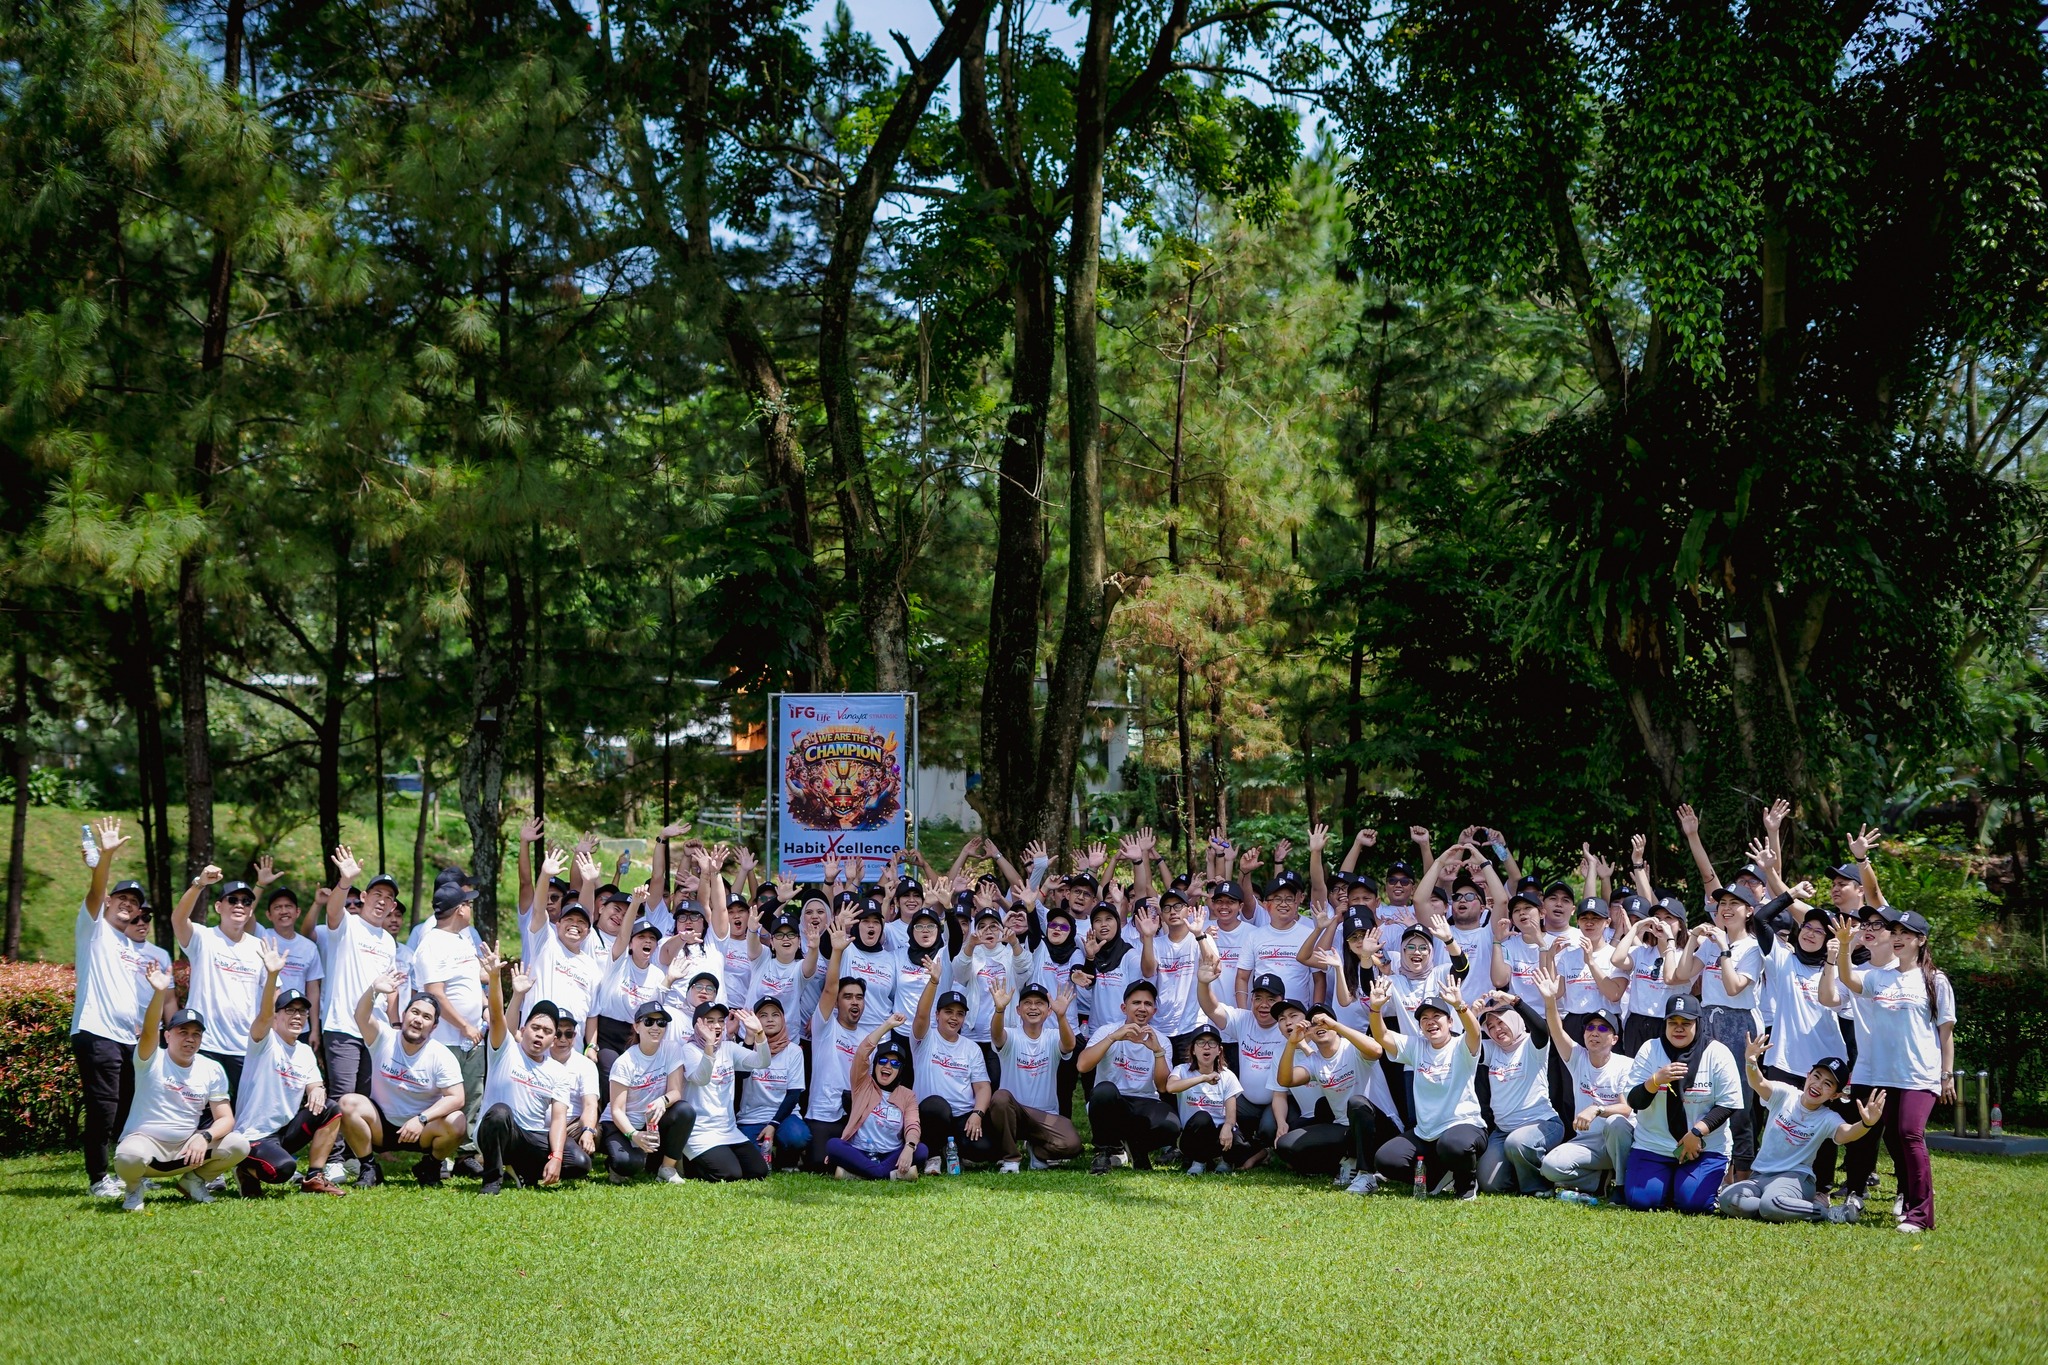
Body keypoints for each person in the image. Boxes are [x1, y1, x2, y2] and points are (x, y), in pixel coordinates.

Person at [1832, 843, 1948, 1232]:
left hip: (1919, 1075)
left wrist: (1946, 1076)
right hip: (1881, 1074)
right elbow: (1847, 980)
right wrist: (1846, 947)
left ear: (1920, 941)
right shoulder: (1880, 976)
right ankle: (1874, 1194)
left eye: (1905, 933)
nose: (1897, 938)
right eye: (1894, 932)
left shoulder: (1934, 980)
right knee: (1887, 1138)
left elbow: (1945, 1032)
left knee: (1909, 1135)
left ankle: (1919, 1213)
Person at [69, 817, 170, 1197]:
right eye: (123, 900)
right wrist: (105, 858)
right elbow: (95, 892)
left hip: (129, 1039)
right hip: (96, 1032)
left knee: (131, 1109)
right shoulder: (93, 928)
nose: (129, 906)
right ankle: (98, 1179)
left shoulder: (132, 946)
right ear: (110, 902)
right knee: (104, 1110)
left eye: (135, 904)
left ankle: (128, 1169)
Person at [114, 967, 251, 1211]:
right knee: (128, 1157)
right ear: (167, 1036)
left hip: (188, 1149)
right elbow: (147, 1032)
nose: (190, 1039)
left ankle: (193, 1182)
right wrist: (158, 992)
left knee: (239, 1144)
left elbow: (225, 1118)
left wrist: (204, 1136)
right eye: (182, 1032)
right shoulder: (150, 1059)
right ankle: (134, 1189)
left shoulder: (212, 1068)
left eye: (196, 1034)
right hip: (148, 1146)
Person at [1719, 1040, 1887, 1222]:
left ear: (1835, 1095)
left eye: (1827, 1084)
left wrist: (1866, 1124)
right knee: (1729, 1199)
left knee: (1771, 1204)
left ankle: (1830, 1213)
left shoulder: (1827, 1117)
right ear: (1807, 1075)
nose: (1817, 1085)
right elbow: (1758, 1082)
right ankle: (1780, 1207)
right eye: (1816, 1076)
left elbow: (1846, 1133)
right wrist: (1751, 1061)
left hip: (1795, 1178)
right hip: (1760, 1175)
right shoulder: (1785, 1094)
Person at [235, 940, 347, 1196]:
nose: (297, 1016)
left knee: (330, 1108)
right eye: (289, 1010)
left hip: (283, 1132)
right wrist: (273, 974)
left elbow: (315, 1084)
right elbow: (263, 1015)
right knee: (282, 1170)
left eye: (302, 1012)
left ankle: (315, 1176)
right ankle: (244, 1169)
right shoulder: (264, 1041)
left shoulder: (305, 1051)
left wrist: (318, 1089)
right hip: (253, 1136)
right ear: (276, 1017)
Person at [336, 970, 467, 1188]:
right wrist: (374, 989)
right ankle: (369, 1168)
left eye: (426, 1017)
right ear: (404, 1014)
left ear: (434, 1027)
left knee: (458, 1121)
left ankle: (431, 1166)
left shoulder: (441, 1055)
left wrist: (422, 1119)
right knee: (348, 1103)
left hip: (421, 1130)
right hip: (382, 1125)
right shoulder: (383, 1038)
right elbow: (360, 1015)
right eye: (415, 1012)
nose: (418, 1020)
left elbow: (457, 1098)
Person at [1673, 882, 1765, 1176]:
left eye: (1734, 904)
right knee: (1704, 1093)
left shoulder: (1753, 947)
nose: (1725, 909)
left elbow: (1734, 987)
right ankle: (1710, 1163)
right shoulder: (1711, 942)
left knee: (1738, 1101)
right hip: (1707, 1018)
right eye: (1722, 903)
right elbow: (1683, 974)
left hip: (1737, 1023)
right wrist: (1692, 941)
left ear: (1749, 911)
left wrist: (1725, 949)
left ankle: (1742, 1171)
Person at [473, 948, 583, 1195]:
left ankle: (524, 1169)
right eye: (535, 1028)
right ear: (523, 1030)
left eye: (547, 1031)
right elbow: (497, 1016)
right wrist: (496, 980)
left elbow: (557, 1119)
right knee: (500, 1113)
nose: (540, 1034)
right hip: (497, 1131)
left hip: (531, 1137)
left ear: (554, 1039)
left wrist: (555, 1156)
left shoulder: (557, 1071)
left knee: (578, 1162)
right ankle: (492, 1179)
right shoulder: (505, 1051)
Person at [1621, 995, 1741, 1214]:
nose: (1679, 1029)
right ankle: (1668, 1185)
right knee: (1640, 1201)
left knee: (1693, 1204)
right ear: (1664, 1024)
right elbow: (1634, 1100)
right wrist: (1655, 1081)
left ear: (1698, 1023)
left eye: (1686, 1023)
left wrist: (1696, 1133)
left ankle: (1685, 1185)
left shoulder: (1717, 1052)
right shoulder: (1650, 1049)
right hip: (1654, 1144)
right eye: (1672, 1023)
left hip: (1704, 1146)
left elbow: (1729, 1104)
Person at [1368, 978, 1486, 1198]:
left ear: (1450, 1022)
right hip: (1426, 1132)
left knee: (1454, 1145)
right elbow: (1382, 1036)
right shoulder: (1416, 1047)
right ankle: (1437, 1176)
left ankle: (1466, 1187)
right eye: (1424, 1019)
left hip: (1463, 1126)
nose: (1430, 1022)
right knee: (1386, 1159)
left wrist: (1461, 1005)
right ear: (1420, 1027)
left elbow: (1475, 1033)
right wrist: (1375, 1009)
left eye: (1436, 1017)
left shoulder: (1461, 1045)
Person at [1531, 968, 1635, 1198]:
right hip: (1588, 1144)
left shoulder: (1625, 1065)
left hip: (1619, 1143)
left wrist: (1597, 1109)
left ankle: (1622, 1184)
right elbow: (1556, 1030)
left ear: (1614, 1039)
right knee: (1550, 1166)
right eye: (1589, 1027)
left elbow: (1627, 1108)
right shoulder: (1577, 1057)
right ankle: (1600, 1182)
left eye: (1602, 1028)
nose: (1593, 1032)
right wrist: (1550, 1001)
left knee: (1616, 1122)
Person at [314, 844, 399, 1118]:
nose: (382, 901)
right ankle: (334, 1158)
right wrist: (345, 881)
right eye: (377, 894)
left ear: (394, 906)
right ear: (364, 896)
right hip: (343, 1025)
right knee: (341, 1095)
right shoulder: (347, 925)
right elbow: (333, 911)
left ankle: (354, 1156)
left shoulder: (388, 940)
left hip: (374, 1030)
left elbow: (388, 988)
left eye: (389, 897)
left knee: (364, 1097)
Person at [172, 863, 267, 1100]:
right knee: (200, 1113)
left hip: (245, 1047)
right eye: (232, 900)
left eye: (246, 902)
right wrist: (200, 883)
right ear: (218, 906)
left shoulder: (260, 948)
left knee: (241, 1115)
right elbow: (178, 919)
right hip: (206, 1044)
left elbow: (272, 997)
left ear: (251, 911)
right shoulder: (203, 938)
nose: (239, 905)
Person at [412, 879, 488, 1159]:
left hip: (471, 1037)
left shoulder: (462, 939)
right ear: (460, 909)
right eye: (469, 904)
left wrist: (483, 1009)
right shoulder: (431, 943)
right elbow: (435, 994)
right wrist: (464, 1026)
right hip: (446, 1040)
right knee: (444, 1101)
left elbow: (470, 983)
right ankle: (436, 1158)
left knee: (472, 1096)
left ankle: (466, 1155)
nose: (471, 910)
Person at [1273, 1003, 1387, 1191]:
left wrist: (1335, 1025)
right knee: (1287, 1144)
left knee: (1356, 1102)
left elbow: (1376, 1051)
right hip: (1346, 1129)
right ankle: (1348, 1162)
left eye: (1325, 1021)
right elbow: (1286, 1080)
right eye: (1315, 1024)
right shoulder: (1314, 1060)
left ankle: (1366, 1175)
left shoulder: (1352, 1047)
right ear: (1308, 1032)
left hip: (1380, 1126)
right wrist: (1292, 1043)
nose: (1321, 1026)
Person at [1080, 980, 1179, 1173]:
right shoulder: (1107, 1031)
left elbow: (1162, 1087)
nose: (1142, 1008)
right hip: (1112, 1101)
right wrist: (1112, 1038)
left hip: (1144, 1101)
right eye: (1136, 1003)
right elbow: (1083, 1065)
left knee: (1171, 1125)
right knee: (1103, 1091)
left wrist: (1157, 1051)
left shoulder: (1162, 1041)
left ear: (1154, 1011)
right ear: (1124, 1008)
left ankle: (1137, 1149)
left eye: (1148, 1004)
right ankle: (1103, 1152)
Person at [1470, 991, 1563, 1195]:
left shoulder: (1532, 1045)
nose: (1496, 1030)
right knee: (1490, 1184)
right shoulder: (1492, 1049)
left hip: (1542, 1124)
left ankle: (1538, 1187)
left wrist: (1515, 1001)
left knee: (1518, 1142)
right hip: (1503, 1131)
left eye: (1501, 1022)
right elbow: (1465, 1046)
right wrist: (1471, 1015)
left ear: (1513, 1019)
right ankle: (1521, 1172)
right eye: (1491, 1026)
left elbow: (1541, 1028)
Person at [986, 981, 1083, 1171]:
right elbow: (997, 1036)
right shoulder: (1012, 1035)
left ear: (1048, 1011)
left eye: (1039, 1003)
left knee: (1072, 1144)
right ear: (1018, 1010)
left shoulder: (1053, 1036)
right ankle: (1011, 1159)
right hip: (1015, 1113)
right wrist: (999, 1010)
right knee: (1000, 1098)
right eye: (1027, 1003)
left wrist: (1062, 1016)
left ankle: (1038, 1151)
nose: (1033, 1007)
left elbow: (1070, 1045)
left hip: (1045, 1116)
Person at [674, 1001, 774, 1180]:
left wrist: (760, 1033)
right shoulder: (689, 1050)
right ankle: (689, 1164)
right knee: (729, 1174)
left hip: (728, 1130)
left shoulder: (728, 1048)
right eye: (710, 1021)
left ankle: (712, 1159)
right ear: (697, 1024)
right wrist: (709, 1046)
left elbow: (763, 1062)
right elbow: (701, 1078)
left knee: (759, 1171)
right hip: (700, 1132)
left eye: (721, 1020)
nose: (717, 1026)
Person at [910, 975, 997, 1172]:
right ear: (937, 1014)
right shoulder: (924, 1039)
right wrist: (933, 981)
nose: (954, 1018)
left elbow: (983, 1086)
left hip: (962, 1117)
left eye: (959, 1014)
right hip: (932, 1115)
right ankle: (933, 1155)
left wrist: (977, 1114)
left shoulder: (971, 1048)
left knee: (985, 1150)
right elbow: (920, 1016)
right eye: (948, 1012)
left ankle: (953, 1149)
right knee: (936, 1106)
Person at [603, 1000, 692, 1183]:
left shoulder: (671, 1049)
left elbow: (675, 1092)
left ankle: (667, 1168)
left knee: (685, 1110)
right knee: (627, 1164)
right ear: (636, 1026)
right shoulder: (624, 1062)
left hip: (652, 1121)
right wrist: (634, 1135)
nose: (656, 1027)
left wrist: (662, 1101)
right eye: (649, 1022)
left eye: (661, 1023)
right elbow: (617, 1111)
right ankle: (615, 1161)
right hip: (623, 1124)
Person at [824, 1022, 925, 1180]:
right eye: (883, 1061)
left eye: (895, 1063)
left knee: (921, 1150)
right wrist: (888, 1025)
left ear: (900, 1070)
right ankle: (889, 1174)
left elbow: (913, 1125)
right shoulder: (862, 1084)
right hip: (860, 1151)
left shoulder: (907, 1095)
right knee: (833, 1145)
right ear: (875, 1064)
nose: (888, 1066)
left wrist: (909, 1147)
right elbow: (862, 1052)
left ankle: (857, 1174)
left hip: (890, 1154)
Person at [735, 997, 810, 1169]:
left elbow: (794, 1095)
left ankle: (787, 1161)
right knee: (752, 1163)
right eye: (763, 1015)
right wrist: (748, 1038)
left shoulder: (794, 1051)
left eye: (775, 1015)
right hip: (751, 1117)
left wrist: (773, 1124)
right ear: (755, 1020)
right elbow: (741, 1077)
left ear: (783, 1019)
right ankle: (768, 1158)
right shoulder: (744, 1047)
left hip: (785, 1116)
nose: (770, 1019)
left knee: (797, 1137)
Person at [1166, 1023, 1244, 1174]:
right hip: (1192, 1134)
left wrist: (1228, 1126)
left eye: (1212, 1043)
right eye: (1201, 1042)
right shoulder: (1181, 1070)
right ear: (1193, 1050)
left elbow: (1231, 1114)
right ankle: (1199, 1161)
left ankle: (1225, 1161)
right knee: (1202, 1117)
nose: (1206, 1047)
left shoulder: (1227, 1075)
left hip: (1218, 1136)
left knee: (1239, 1141)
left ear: (1219, 1050)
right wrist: (1203, 1078)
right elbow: (1171, 1087)